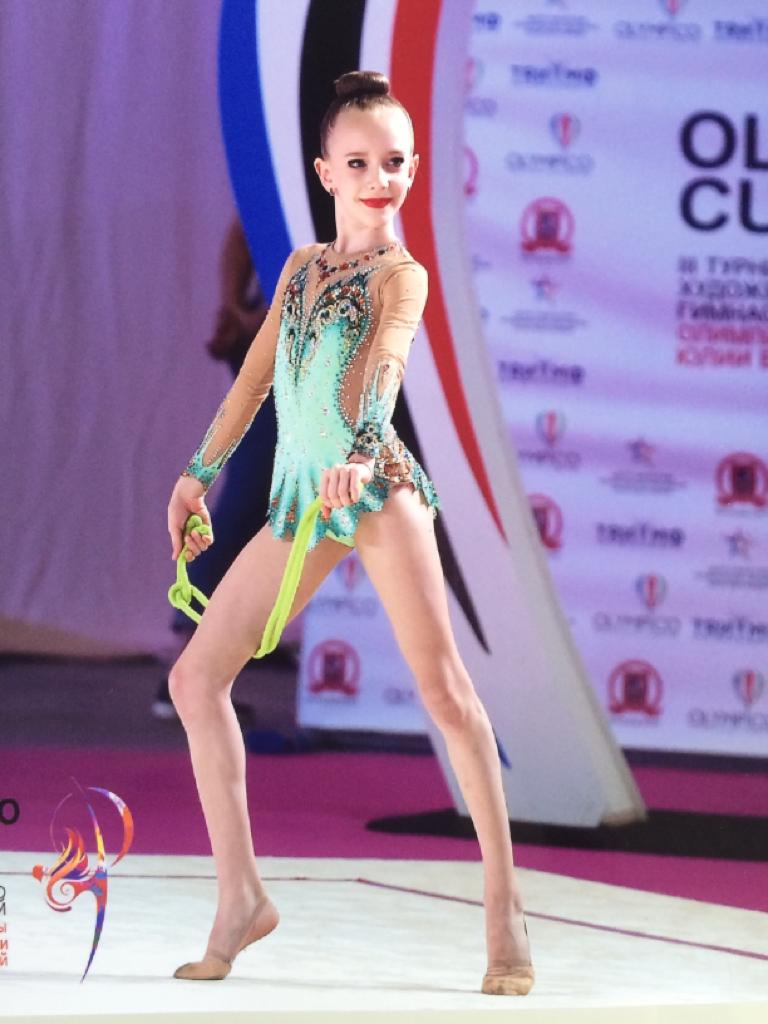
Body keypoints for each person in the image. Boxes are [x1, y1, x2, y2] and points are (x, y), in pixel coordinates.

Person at [165, 70, 534, 996]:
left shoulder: (401, 275)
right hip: (302, 498)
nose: (380, 179)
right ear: (326, 171)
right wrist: (196, 476)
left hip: (377, 493)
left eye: (396, 162)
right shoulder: (298, 269)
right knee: (195, 679)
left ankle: (506, 913)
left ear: (413, 170)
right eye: (360, 163)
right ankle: (241, 898)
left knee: (446, 693)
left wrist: (364, 456)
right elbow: (254, 382)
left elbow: (383, 372)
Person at [153, 217, 295, 725]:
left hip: (303, 348)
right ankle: (186, 664)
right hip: (279, 349)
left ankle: (207, 660)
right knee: (248, 504)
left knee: (267, 512)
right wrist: (240, 308)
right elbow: (243, 227)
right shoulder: (316, 184)